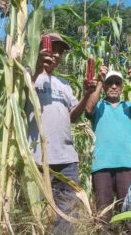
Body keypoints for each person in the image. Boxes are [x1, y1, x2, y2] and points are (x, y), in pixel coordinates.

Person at [25, 33, 97, 234]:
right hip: (38, 158)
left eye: (59, 51)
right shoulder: (28, 74)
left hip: (66, 159)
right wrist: (38, 67)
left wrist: (86, 94)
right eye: (52, 49)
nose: (55, 54)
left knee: (66, 212)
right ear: (40, 48)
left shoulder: (64, 85)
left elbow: (73, 116)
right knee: (38, 212)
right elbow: (19, 97)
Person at [85, 65, 131, 224]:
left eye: (117, 83)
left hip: (126, 165)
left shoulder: (128, 106)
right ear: (105, 86)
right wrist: (99, 81)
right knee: (103, 214)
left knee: (128, 212)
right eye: (109, 83)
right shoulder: (99, 106)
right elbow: (88, 108)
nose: (113, 86)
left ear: (121, 87)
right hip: (101, 166)